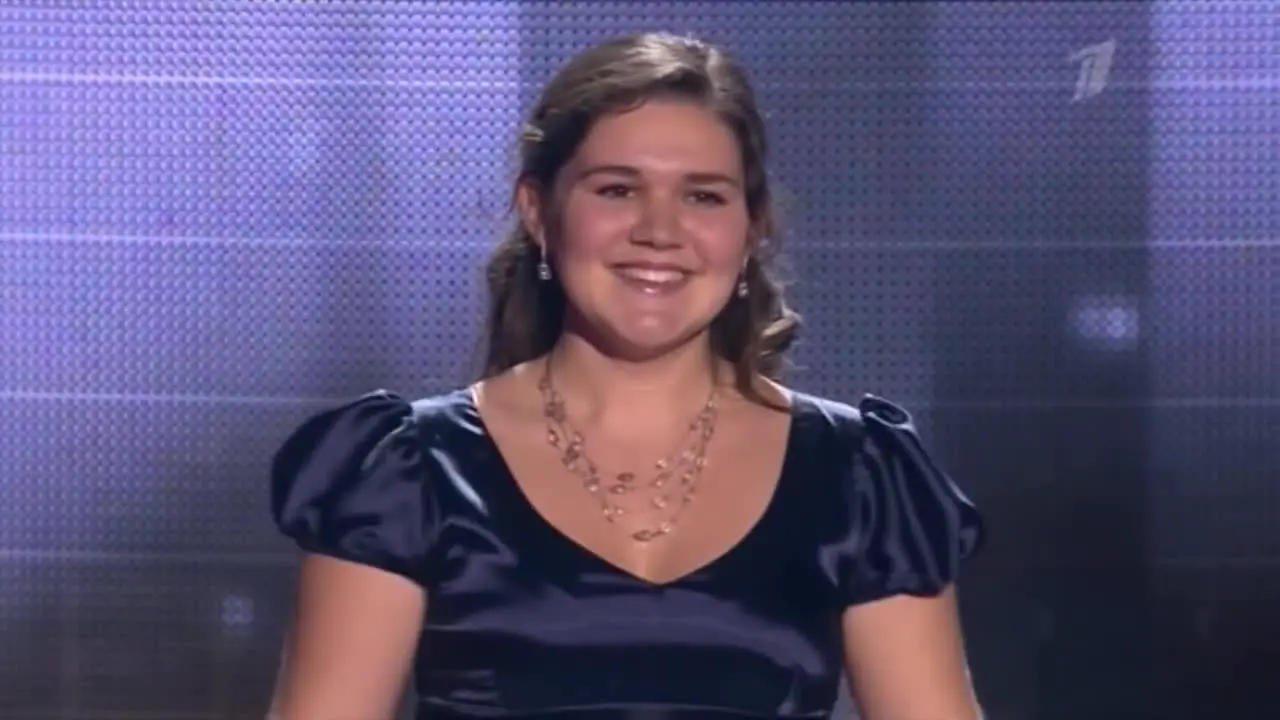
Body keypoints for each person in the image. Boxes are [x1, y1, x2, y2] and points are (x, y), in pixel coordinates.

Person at [266, 31, 985, 720]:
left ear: (752, 228)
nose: (659, 231)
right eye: (617, 190)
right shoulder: (408, 473)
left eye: (703, 196)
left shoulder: (859, 475)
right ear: (538, 212)